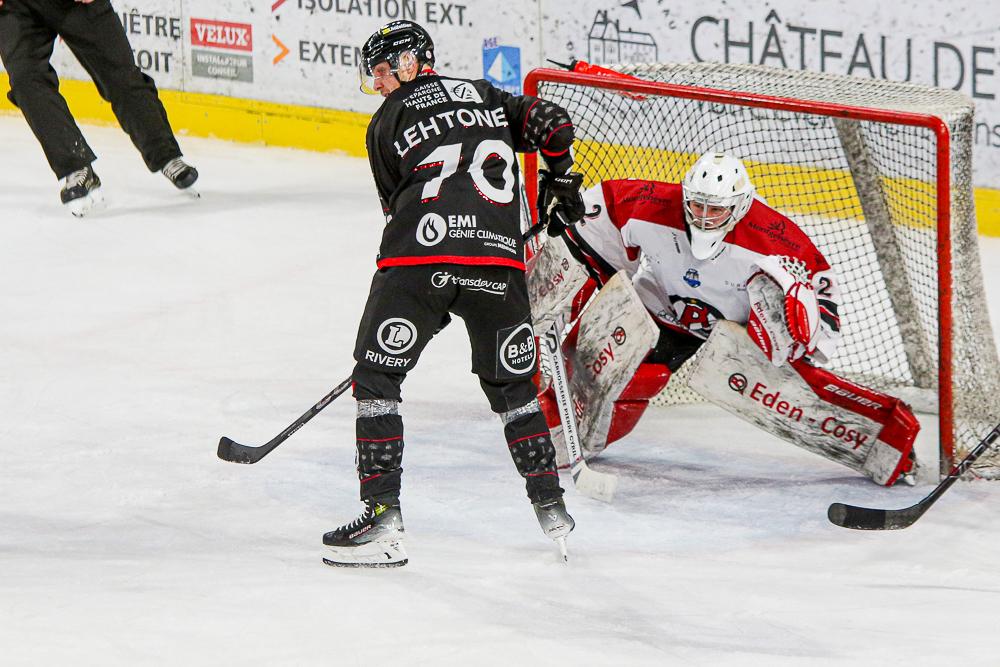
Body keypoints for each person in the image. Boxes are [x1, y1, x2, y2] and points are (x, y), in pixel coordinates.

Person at [321, 20, 584, 567]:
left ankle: (381, 518)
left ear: (412, 62)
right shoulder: (488, 97)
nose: (379, 82)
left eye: (383, 70)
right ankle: (552, 511)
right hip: (498, 263)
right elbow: (555, 125)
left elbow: (396, 207)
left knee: (377, 376)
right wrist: (560, 182)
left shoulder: (385, 121)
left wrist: (433, 295)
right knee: (514, 389)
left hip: (420, 258)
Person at [539, 151, 919, 486]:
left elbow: (821, 302)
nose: (703, 218)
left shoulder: (775, 240)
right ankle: (553, 424)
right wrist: (565, 287)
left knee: (796, 393)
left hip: (735, 334)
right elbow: (591, 225)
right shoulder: (651, 204)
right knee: (617, 364)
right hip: (659, 314)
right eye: (697, 206)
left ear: (739, 206)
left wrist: (801, 330)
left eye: (715, 209)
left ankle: (889, 445)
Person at [0, 0, 198, 216]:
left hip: (78, 6)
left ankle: (165, 154)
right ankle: (76, 166)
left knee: (120, 77)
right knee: (25, 80)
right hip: (17, 6)